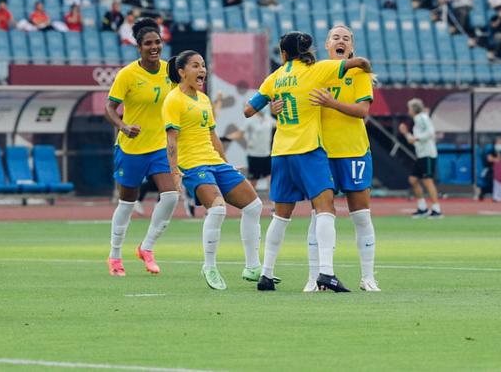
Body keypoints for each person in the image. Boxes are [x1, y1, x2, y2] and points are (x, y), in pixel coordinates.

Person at [244, 31, 372, 292]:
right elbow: (358, 64)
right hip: (309, 149)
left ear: (283, 54)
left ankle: (266, 274)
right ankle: (325, 272)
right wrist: (364, 65)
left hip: (280, 151)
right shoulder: (317, 70)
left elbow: (248, 110)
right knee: (325, 209)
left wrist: (275, 106)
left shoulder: (274, 77)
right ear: (310, 49)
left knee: (281, 216)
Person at [162, 51, 264, 290]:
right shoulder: (173, 100)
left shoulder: (204, 99)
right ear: (181, 72)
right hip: (193, 165)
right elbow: (171, 140)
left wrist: (226, 163)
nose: (202, 70)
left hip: (215, 162)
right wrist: (175, 172)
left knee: (254, 206)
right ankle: (209, 265)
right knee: (217, 210)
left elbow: (212, 135)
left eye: (204, 66)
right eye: (196, 66)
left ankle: (252, 266)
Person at [302, 25, 380, 292]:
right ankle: (317, 276)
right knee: (320, 217)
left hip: (354, 152)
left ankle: (368, 276)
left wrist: (331, 103)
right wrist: (278, 110)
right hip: (321, 153)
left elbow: (362, 111)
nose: (341, 41)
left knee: (360, 216)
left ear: (351, 47)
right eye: (336, 37)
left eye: (346, 38)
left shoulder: (360, 73)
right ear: (326, 44)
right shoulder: (316, 72)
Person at [105, 19, 180, 276]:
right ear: (139, 47)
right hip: (131, 148)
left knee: (171, 196)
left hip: (159, 147)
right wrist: (123, 126)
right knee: (127, 203)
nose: (154, 46)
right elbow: (109, 108)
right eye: (148, 43)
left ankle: (146, 247)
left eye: (157, 42)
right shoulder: (127, 74)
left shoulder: (171, 70)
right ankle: (115, 256)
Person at [400, 99, 442, 218]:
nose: (408, 111)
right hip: (421, 154)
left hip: (428, 154)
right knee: (413, 180)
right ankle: (422, 208)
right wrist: (406, 133)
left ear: (414, 109)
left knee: (428, 181)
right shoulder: (418, 120)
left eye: (410, 108)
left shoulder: (422, 117)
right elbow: (412, 140)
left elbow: (430, 132)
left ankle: (436, 209)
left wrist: (417, 138)